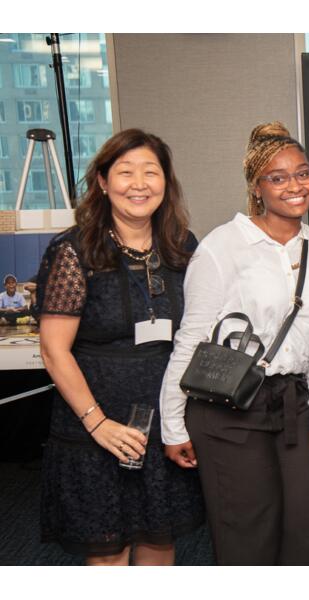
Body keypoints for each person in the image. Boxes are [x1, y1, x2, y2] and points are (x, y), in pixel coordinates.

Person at [159, 122, 309, 566]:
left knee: (306, 524)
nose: (295, 185)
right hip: (229, 408)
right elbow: (191, 337)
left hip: (293, 404)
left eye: (303, 172)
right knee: (248, 535)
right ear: (257, 188)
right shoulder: (224, 246)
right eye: (278, 178)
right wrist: (172, 424)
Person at [34, 129, 204, 565]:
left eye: (151, 171)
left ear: (166, 182)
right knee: (109, 552)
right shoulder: (74, 251)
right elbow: (54, 351)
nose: (139, 183)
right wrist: (99, 424)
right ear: (104, 182)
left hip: (164, 423)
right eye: (125, 172)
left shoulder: (183, 246)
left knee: (159, 542)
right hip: (96, 428)